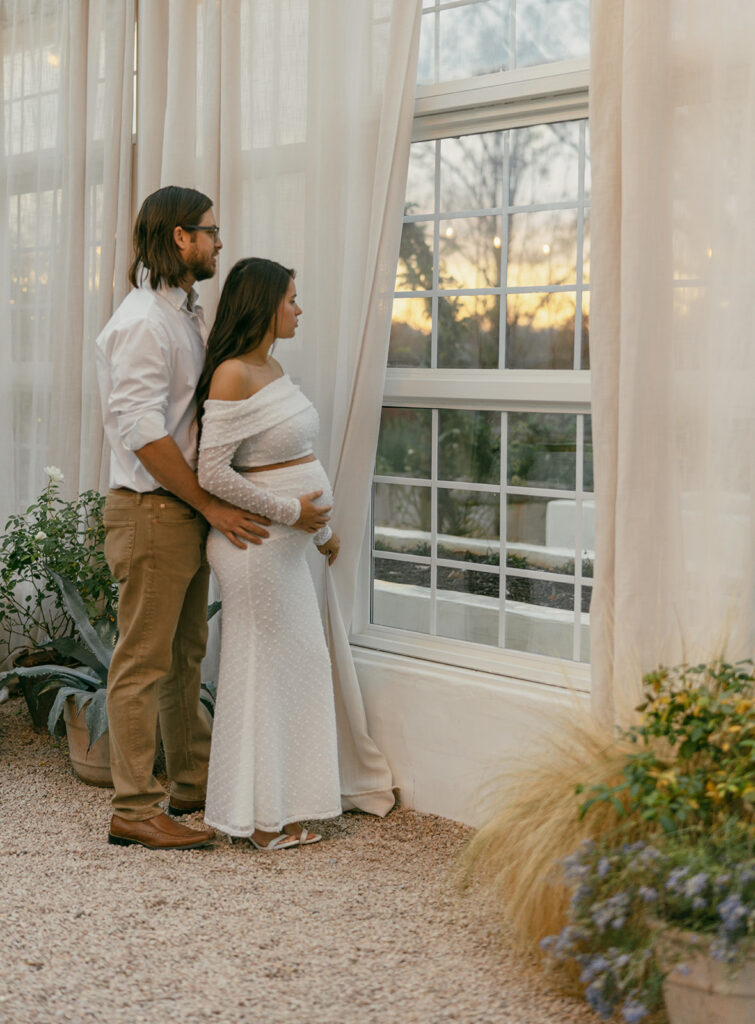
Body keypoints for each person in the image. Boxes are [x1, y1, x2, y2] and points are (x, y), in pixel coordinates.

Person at [95, 186, 271, 850]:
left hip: (180, 510)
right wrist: (208, 503)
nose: (219, 241)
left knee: (184, 654)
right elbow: (142, 431)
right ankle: (134, 809)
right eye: (211, 231)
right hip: (153, 511)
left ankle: (191, 785)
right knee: (144, 659)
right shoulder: (144, 321)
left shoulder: (186, 315)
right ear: (179, 237)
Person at [195, 257, 342, 850]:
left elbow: (297, 458)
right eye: (291, 299)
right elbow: (211, 471)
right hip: (254, 548)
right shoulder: (232, 373)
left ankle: (275, 807)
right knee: (259, 674)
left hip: (286, 549)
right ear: (263, 304)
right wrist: (293, 515)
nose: (299, 309)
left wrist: (321, 533)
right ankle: (256, 820)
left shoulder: (272, 366)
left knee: (294, 670)